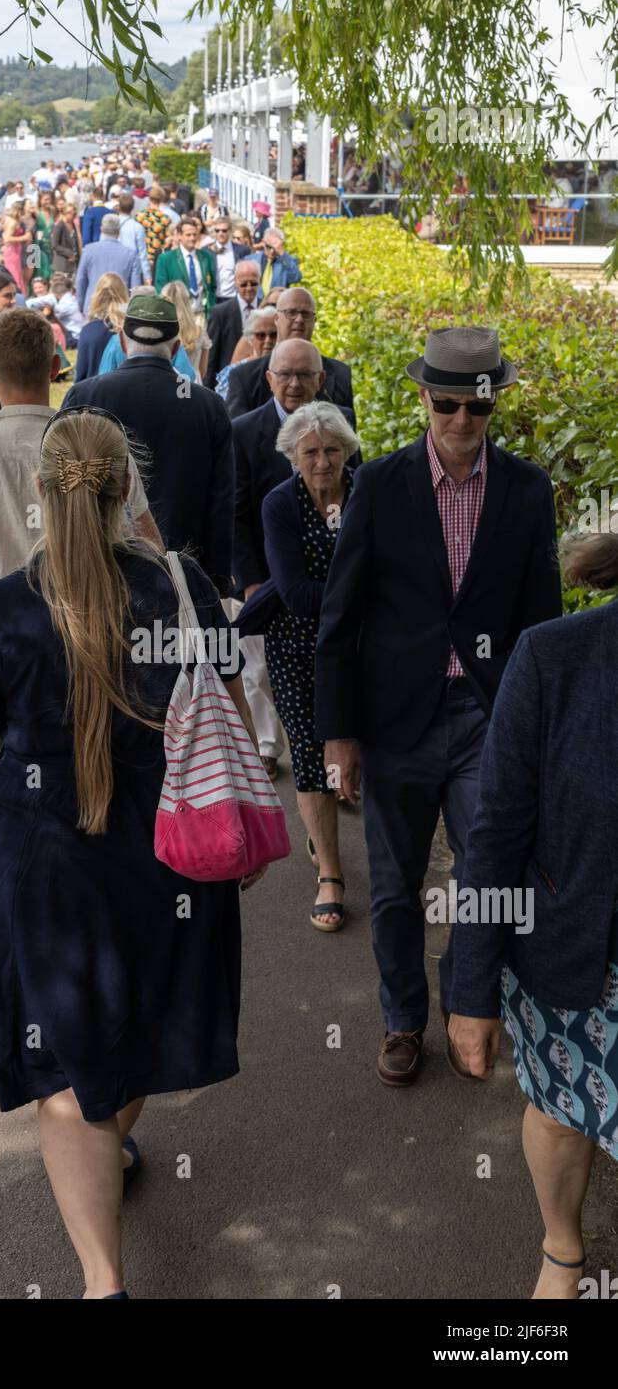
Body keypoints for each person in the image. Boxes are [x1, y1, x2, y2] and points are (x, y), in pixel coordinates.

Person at [0, 407, 261, 1301]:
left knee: (67, 1069)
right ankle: (112, 1137)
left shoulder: (1, 607)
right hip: (170, 850)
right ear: (127, 490)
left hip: (41, 864)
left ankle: (102, 1284)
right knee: (140, 1026)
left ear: (41, 491)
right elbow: (229, 697)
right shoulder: (182, 585)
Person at [314, 326, 564, 1087]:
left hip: (489, 719)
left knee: (488, 878)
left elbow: (542, 623)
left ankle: (467, 1006)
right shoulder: (381, 485)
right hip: (396, 725)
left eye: (476, 407)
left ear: (496, 404)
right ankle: (401, 1020)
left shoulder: (526, 491)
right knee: (393, 885)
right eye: (448, 404)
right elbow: (340, 618)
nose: (461, 421)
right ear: (424, 397)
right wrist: (339, 736)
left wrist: (542, 732)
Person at [446, 532, 618, 1299]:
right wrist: (471, 991)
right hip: (573, 955)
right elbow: (494, 836)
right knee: (559, 1115)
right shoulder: (554, 658)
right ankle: (562, 1246)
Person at [0, 309, 159, 686]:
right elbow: (149, 546)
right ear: (54, 367)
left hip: (1, 650)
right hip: (96, 644)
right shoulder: (102, 444)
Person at [255, 401, 359, 927]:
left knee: (369, 743)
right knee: (309, 751)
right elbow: (294, 594)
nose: (323, 461)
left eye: (333, 449)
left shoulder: (370, 494)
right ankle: (331, 872)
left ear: (348, 450)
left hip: (365, 649)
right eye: (311, 452)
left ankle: (368, 853)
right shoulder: (281, 504)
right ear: (293, 456)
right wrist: (362, 598)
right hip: (297, 647)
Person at [63, 293, 234, 597]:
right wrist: (216, 583)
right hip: (183, 577)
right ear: (177, 347)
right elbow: (221, 503)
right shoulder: (208, 405)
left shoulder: (84, 396)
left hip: (101, 572)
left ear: (124, 343)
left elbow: (63, 488)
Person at [232, 341, 342, 781]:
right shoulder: (243, 430)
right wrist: (250, 581)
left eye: (304, 375)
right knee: (258, 671)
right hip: (267, 578)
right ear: (269, 379)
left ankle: (327, 761)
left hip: (325, 580)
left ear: (320, 380)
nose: (294, 384)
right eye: (285, 375)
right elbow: (235, 511)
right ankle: (267, 744)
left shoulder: (338, 426)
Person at [225, 287, 354, 421]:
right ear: (276, 319)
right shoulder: (244, 377)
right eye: (291, 312)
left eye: (305, 314)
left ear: (314, 320)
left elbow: (347, 436)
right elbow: (237, 435)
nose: (299, 319)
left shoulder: (340, 374)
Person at [205, 259, 261, 390]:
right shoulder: (219, 313)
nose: (248, 288)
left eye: (253, 283)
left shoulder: (269, 309)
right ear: (235, 282)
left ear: (260, 280)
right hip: (229, 385)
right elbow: (211, 358)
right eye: (243, 284)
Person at [75, 215, 142, 316]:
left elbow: (80, 280)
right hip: (119, 310)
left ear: (101, 229)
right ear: (119, 231)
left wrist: (80, 306)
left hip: (93, 308)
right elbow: (135, 288)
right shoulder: (130, 254)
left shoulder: (88, 250)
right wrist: (126, 311)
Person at [153, 217, 216, 319]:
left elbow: (212, 286)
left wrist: (211, 310)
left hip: (201, 315)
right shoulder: (166, 259)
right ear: (179, 236)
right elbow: (160, 288)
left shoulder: (206, 257)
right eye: (188, 235)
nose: (192, 238)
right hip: (178, 316)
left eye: (195, 234)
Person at [214, 308, 278, 402]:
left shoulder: (287, 368)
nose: (268, 340)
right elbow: (222, 407)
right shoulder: (233, 372)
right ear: (250, 338)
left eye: (273, 335)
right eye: (261, 335)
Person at [75, 272, 128, 383]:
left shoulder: (88, 330)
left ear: (97, 295)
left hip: (93, 394)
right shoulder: (130, 330)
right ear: (123, 295)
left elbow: (81, 374)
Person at [160, 281, 212, 381]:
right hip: (194, 386)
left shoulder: (161, 334)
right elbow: (203, 371)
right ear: (187, 302)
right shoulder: (199, 333)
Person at [246, 228, 302, 302]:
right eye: (269, 247)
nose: (272, 251)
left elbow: (295, 278)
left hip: (275, 307)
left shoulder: (287, 261)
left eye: (275, 248)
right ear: (263, 242)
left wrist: (282, 254)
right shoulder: (250, 260)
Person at [210, 217, 251, 305]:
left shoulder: (242, 250)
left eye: (224, 231)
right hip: (214, 298)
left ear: (230, 231)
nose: (220, 233)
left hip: (234, 298)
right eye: (217, 231)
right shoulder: (207, 251)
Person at [135, 183, 172, 271]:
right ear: (161, 199)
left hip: (141, 256)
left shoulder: (139, 216)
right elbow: (167, 241)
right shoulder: (165, 219)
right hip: (157, 257)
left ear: (149, 198)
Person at [116, 193, 151, 284]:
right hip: (132, 268)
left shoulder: (112, 224)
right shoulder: (137, 227)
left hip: (115, 265)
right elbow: (142, 253)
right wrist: (147, 275)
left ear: (119, 207)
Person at [1, 201, 31, 290]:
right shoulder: (13, 222)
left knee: (18, 274)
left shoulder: (9, 219)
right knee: (15, 275)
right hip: (13, 251)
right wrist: (24, 237)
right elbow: (7, 238)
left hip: (16, 250)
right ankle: (19, 294)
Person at [51, 203, 81, 278]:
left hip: (73, 264)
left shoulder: (74, 225)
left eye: (74, 213)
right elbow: (55, 245)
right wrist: (69, 253)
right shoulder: (59, 226)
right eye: (69, 212)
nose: (72, 215)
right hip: (62, 265)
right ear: (64, 213)